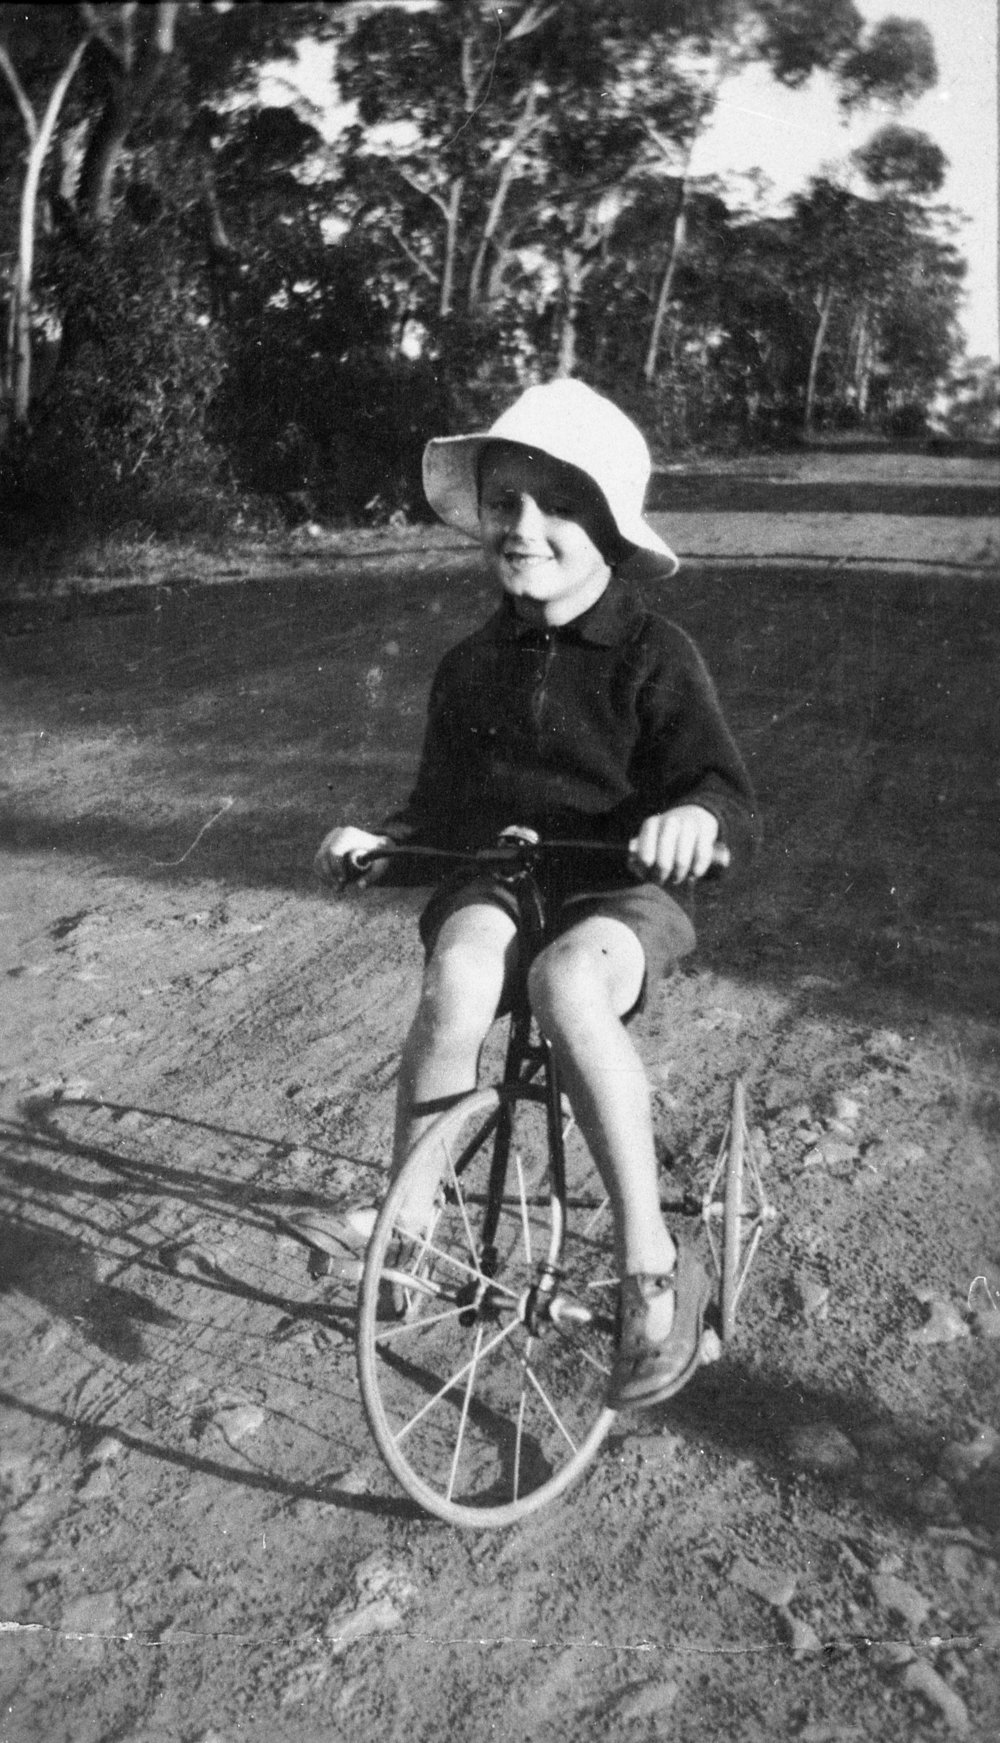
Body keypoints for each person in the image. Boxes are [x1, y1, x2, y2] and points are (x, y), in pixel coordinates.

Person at [313, 378, 757, 1408]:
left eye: (556, 508)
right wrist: (385, 842)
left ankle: (652, 1268)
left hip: (618, 890)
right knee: (459, 966)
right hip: (506, 873)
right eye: (506, 504)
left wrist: (695, 821)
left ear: (608, 526)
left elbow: (720, 789)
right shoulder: (470, 663)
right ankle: (411, 1227)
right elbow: (439, 806)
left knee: (567, 986)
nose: (525, 529)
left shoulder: (653, 654)